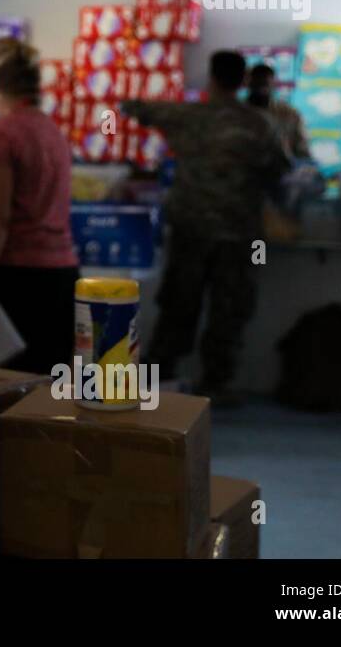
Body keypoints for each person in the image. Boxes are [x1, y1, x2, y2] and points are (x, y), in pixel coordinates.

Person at [123, 50, 290, 404]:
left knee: (179, 302)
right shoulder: (262, 124)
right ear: (243, 81)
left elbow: (133, 107)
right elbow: (282, 170)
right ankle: (217, 382)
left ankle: (160, 377)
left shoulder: (186, 115)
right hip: (240, 231)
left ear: (211, 78)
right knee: (230, 308)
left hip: (191, 226)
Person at [0, 37, 78, 374]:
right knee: (42, 405)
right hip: (60, 280)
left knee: (5, 398)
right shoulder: (52, 131)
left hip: (17, 283)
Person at [246, 63, 310, 161]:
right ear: (248, 84)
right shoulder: (235, 113)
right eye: (257, 84)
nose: (261, 90)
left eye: (265, 84)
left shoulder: (288, 114)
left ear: (273, 85)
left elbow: (302, 150)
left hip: (281, 171)